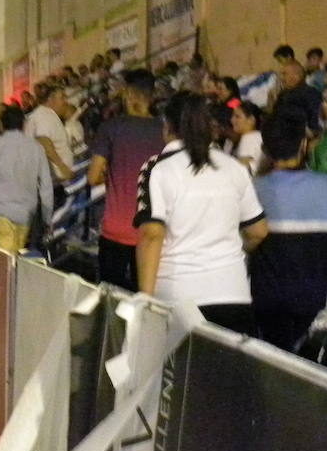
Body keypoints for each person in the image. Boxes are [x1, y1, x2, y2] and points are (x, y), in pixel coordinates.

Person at [134, 92, 269, 334]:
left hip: (178, 297)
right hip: (233, 295)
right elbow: (258, 231)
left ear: (167, 126)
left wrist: (145, 302)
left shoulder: (158, 168)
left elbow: (152, 236)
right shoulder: (233, 167)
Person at [251, 112, 327, 350]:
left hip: (266, 298)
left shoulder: (253, 187)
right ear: (303, 144)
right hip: (311, 298)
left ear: (264, 148)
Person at [87, 68, 162, 290]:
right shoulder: (165, 130)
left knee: (110, 299)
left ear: (128, 94)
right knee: (147, 302)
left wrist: (111, 176)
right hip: (152, 232)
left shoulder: (111, 128)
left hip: (115, 231)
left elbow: (92, 177)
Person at [0, 104, 54, 253]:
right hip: (26, 217)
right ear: (23, 124)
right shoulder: (36, 148)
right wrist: (47, 219)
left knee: (5, 263)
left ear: (2, 124)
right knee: (17, 258)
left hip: (2, 216)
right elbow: (46, 187)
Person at [225, 101, 264, 174]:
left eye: (237, 117)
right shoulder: (257, 136)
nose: (232, 120)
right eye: (233, 116)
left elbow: (244, 169)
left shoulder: (248, 139)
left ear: (251, 120)